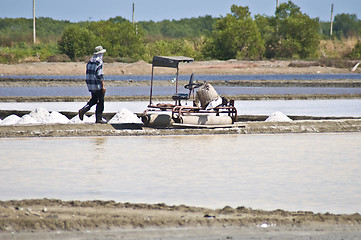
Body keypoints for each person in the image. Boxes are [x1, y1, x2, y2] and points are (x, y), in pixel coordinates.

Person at [78, 46, 107, 124]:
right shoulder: (99, 62)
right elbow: (99, 75)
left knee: (94, 99)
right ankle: (99, 119)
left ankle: (83, 110)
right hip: (97, 85)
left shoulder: (90, 61)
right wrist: (103, 86)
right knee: (101, 101)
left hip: (91, 85)